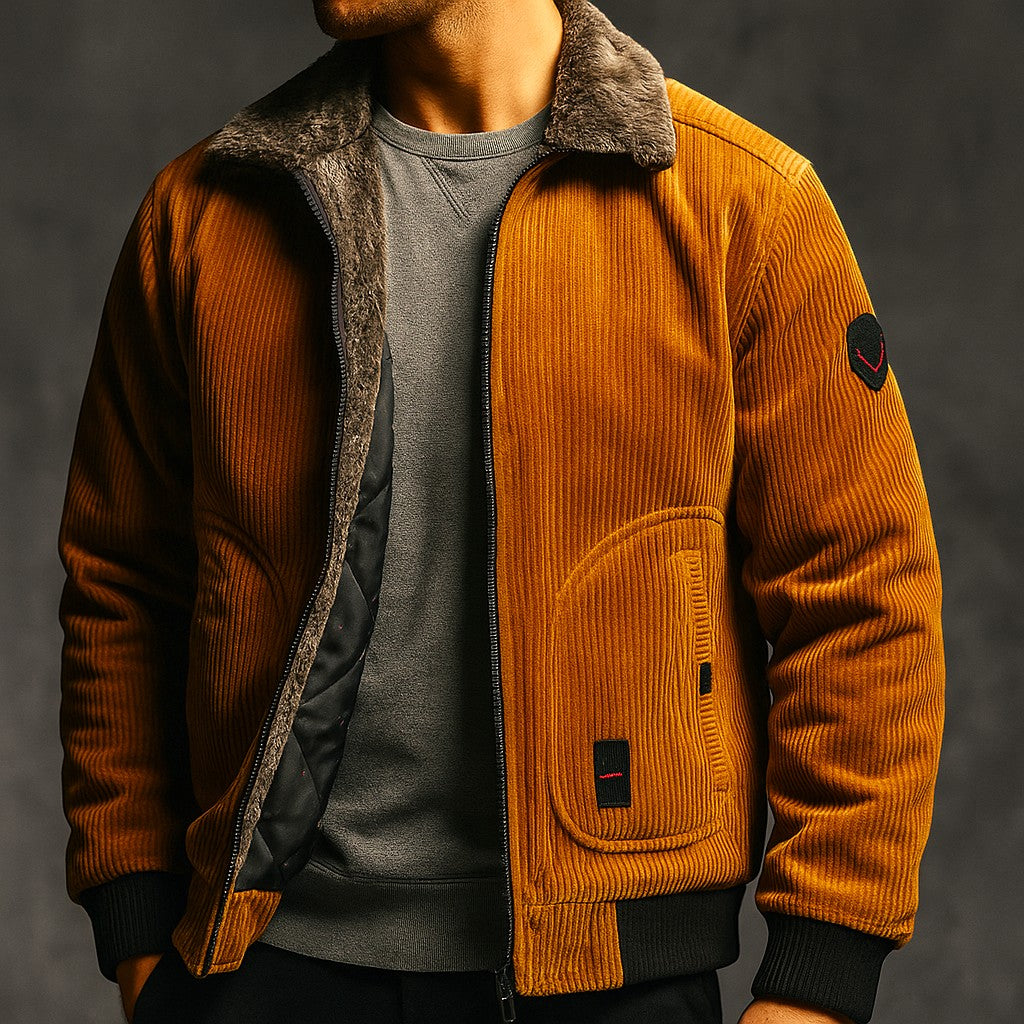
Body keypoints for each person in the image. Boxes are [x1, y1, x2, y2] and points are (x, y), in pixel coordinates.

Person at [56, 1, 945, 1022]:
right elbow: (123, 584)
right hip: (263, 968)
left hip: (613, 981)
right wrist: (137, 928)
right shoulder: (206, 213)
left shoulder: (744, 207)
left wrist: (817, 982)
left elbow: (863, 599)